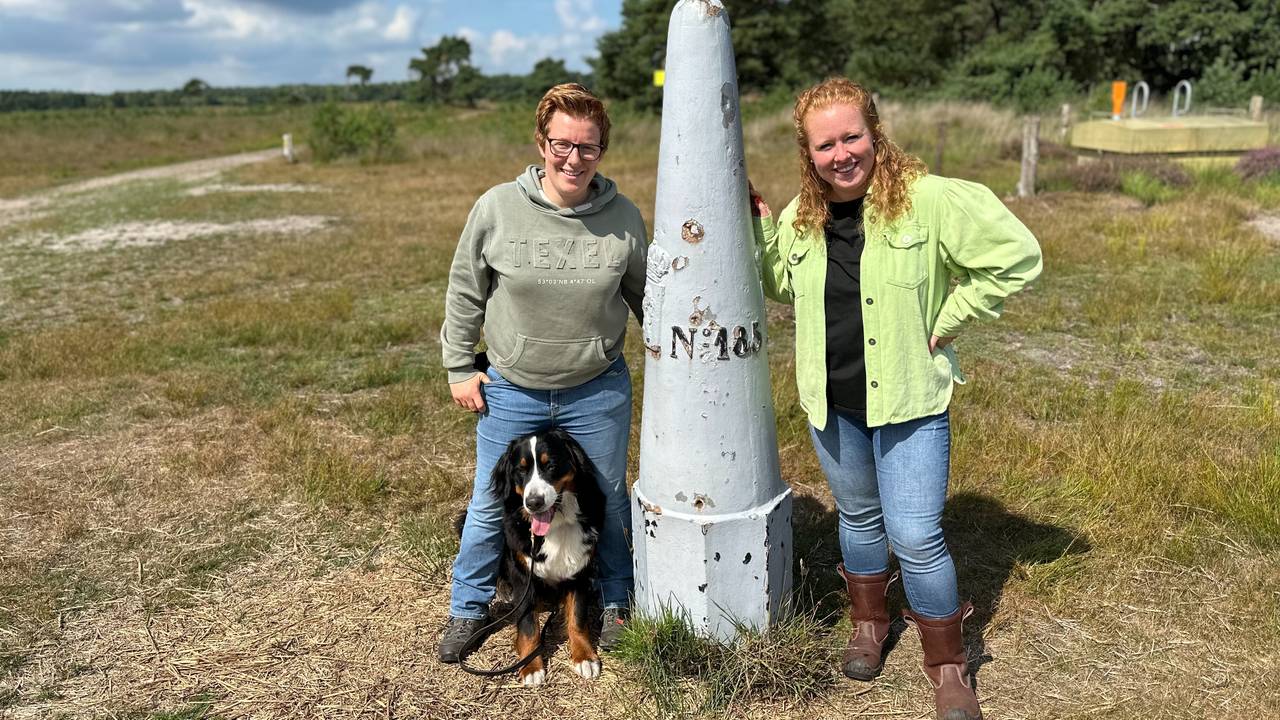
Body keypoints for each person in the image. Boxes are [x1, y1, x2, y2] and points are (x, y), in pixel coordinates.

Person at [749, 78, 1041, 720]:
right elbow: (777, 286)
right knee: (857, 518)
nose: (841, 153)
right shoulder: (804, 214)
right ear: (809, 152)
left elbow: (1018, 256)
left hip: (908, 400)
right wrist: (760, 228)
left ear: (875, 133)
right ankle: (869, 625)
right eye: (825, 144)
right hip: (833, 402)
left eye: (852, 136)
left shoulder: (929, 200)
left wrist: (955, 311)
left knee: (915, 535)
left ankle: (948, 665)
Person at [437, 83, 646, 663]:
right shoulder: (498, 208)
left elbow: (646, 297)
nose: (574, 158)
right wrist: (459, 366)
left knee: (607, 497)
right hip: (512, 389)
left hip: (596, 389)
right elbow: (465, 290)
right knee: (489, 498)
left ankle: (617, 603)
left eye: (589, 147)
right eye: (562, 144)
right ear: (541, 142)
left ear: (602, 149)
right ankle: (469, 606)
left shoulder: (623, 217)